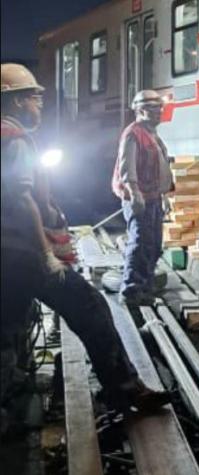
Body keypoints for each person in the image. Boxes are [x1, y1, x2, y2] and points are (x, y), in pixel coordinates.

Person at [0, 63, 168, 418]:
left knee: (9, 324)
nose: (39, 106)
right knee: (90, 306)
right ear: (15, 102)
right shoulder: (13, 139)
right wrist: (47, 253)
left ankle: (11, 398)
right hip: (21, 251)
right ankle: (124, 389)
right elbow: (21, 198)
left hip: (8, 254)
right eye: (34, 98)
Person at [112, 90, 173, 305]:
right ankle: (131, 291)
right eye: (154, 109)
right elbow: (126, 166)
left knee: (154, 245)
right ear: (140, 110)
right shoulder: (133, 133)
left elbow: (160, 166)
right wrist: (134, 192)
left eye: (160, 108)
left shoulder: (152, 134)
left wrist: (164, 195)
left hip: (154, 196)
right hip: (141, 198)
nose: (159, 113)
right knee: (140, 244)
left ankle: (145, 289)